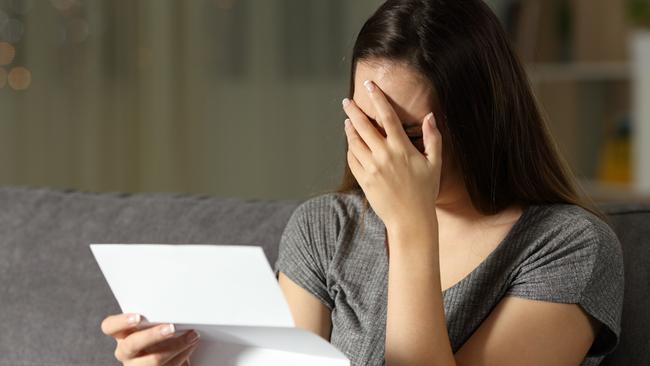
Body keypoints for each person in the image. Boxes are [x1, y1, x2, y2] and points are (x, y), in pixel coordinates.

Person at [100, 0, 624, 365]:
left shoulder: (569, 246)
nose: (385, 154)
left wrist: (412, 227)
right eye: (371, 126)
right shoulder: (325, 227)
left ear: (483, 120)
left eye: (410, 134)